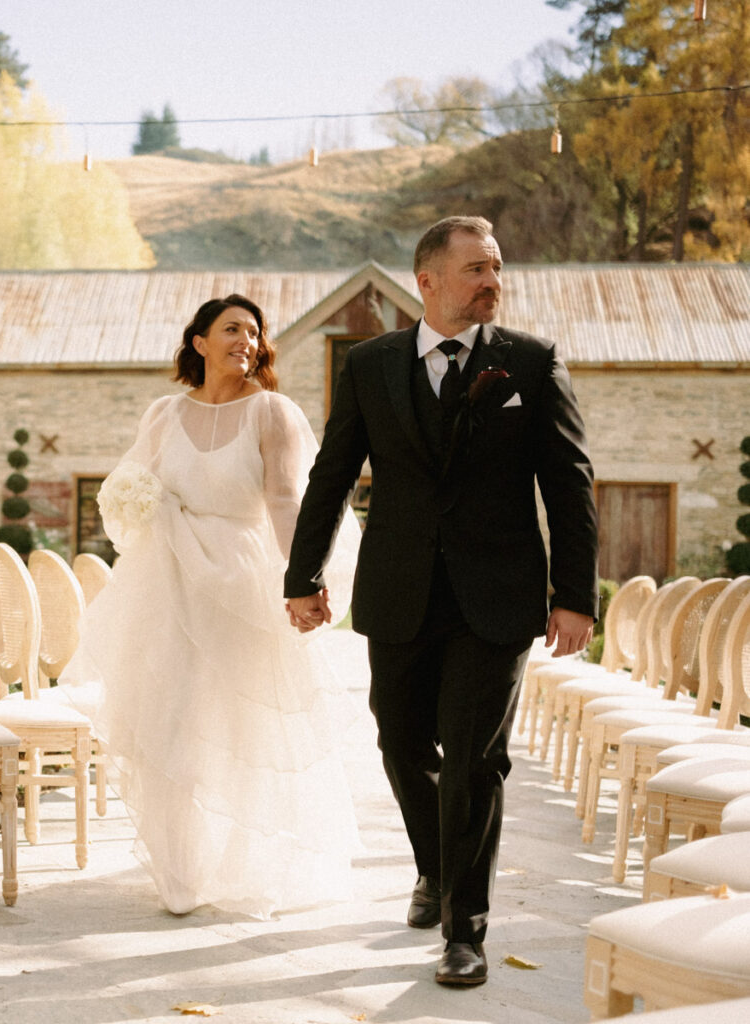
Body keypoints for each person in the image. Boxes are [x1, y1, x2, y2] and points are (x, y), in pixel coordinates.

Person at [284, 216, 598, 986]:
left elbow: (569, 483)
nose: (492, 282)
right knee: (398, 743)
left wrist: (575, 595)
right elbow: (332, 475)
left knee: (473, 761)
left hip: (496, 599)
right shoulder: (368, 365)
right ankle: (434, 865)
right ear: (427, 281)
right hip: (398, 590)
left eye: (496, 269)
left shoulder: (530, 362)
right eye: (475, 270)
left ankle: (466, 929)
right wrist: (303, 576)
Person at [59, 294, 360, 918]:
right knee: (169, 721)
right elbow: (127, 488)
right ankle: (180, 871)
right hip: (166, 582)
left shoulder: (271, 412)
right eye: (231, 329)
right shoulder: (164, 415)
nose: (245, 341)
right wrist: (136, 507)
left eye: (254, 332)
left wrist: (300, 582)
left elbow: (284, 501)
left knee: (242, 726)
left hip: (242, 585)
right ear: (199, 341)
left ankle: (248, 864)